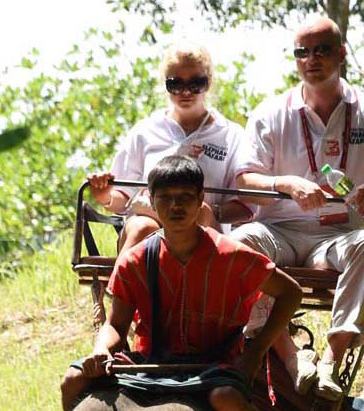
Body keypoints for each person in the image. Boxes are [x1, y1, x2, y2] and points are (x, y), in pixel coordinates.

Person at [61, 156, 302, 411]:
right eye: (166, 198)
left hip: (215, 367)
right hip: (149, 366)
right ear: (151, 199)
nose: (176, 207)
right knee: (72, 380)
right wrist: (101, 350)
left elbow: (290, 292)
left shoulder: (233, 255)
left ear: (201, 200)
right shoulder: (134, 259)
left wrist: (255, 353)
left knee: (226, 399)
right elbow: (116, 326)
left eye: (186, 198)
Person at [233, 15, 364, 400]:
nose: (311, 59)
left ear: (342, 54)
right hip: (278, 231)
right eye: (302, 52)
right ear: (295, 59)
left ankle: (330, 360)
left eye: (322, 51)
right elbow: (245, 181)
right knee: (243, 239)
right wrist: (285, 183)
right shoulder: (270, 113)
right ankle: (288, 352)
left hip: (338, 235)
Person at [86, 43, 252, 266]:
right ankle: (120, 292)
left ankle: (211, 294)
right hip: (150, 218)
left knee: (200, 215)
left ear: (209, 83)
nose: (185, 92)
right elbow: (122, 199)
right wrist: (104, 195)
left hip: (202, 224)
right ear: (165, 85)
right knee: (142, 227)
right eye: (175, 84)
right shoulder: (145, 131)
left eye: (196, 83)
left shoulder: (230, 135)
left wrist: (203, 209)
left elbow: (245, 207)